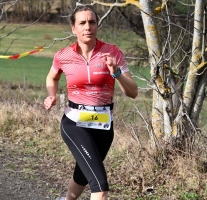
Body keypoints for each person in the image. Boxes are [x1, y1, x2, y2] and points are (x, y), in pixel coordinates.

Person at [43, 4, 138, 200]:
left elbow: (133, 92)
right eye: (82, 23)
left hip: (103, 126)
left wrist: (117, 73)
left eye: (92, 22)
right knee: (100, 186)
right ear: (74, 28)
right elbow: (51, 77)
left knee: (83, 174)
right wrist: (51, 95)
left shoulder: (112, 53)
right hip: (74, 123)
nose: (88, 27)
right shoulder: (64, 55)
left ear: (97, 26)